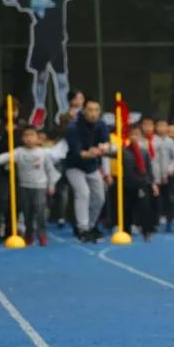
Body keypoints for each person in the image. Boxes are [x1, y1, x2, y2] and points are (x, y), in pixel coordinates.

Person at [0, 0, 97, 128]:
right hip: (40, 45)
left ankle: (65, 110)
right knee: (41, 77)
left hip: (57, 44)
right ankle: (40, 108)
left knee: (61, 79)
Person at [0, 126, 60, 246]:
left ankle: (42, 234)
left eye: (32, 135)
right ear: (22, 138)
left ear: (38, 139)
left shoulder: (43, 153)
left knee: (40, 211)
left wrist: (51, 185)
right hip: (24, 186)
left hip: (39, 187)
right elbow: (8, 156)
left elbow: (50, 170)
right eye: (26, 136)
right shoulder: (19, 152)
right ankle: (29, 235)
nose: (29, 138)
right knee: (27, 213)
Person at [64, 98, 110, 243]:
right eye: (90, 109)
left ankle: (91, 225)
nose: (93, 113)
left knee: (100, 196)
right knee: (83, 193)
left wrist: (104, 148)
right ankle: (83, 229)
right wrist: (92, 152)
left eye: (96, 110)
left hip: (92, 166)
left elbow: (106, 143)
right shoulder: (73, 127)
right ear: (83, 110)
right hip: (74, 166)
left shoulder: (101, 124)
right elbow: (78, 153)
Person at [122, 123, 157, 241]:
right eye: (131, 135)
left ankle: (147, 231)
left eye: (136, 135)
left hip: (142, 183)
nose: (134, 137)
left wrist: (152, 184)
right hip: (128, 184)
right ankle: (126, 231)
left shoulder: (144, 152)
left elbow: (149, 169)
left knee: (144, 208)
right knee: (127, 209)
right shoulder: (123, 151)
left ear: (141, 136)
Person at [152, 117, 174, 230]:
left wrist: (170, 169)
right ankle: (156, 221)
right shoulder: (152, 140)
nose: (162, 128)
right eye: (159, 126)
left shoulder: (170, 141)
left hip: (168, 175)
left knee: (169, 198)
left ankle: (170, 220)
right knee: (155, 198)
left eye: (164, 126)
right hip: (155, 175)